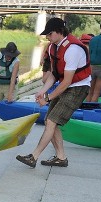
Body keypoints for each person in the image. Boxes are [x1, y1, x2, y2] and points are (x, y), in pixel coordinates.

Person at [16, 17, 91, 168]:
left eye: (49, 34)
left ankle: (34, 156)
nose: (47, 37)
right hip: (67, 85)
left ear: (59, 32)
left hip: (78, 87)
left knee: (51, 121)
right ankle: (61, 158)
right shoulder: (52, 47)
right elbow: (55, 74)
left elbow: (67, 81)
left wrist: (48, 98)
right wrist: (42, 91)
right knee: (50, 121)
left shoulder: (73, 49)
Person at [0, 42, 22, 123]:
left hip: (9, 87)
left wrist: (10, 95)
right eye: (8, 55)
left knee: (7, 109)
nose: (9, 57)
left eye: (11, 56)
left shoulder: (16, 62)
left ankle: (7, 127)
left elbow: (12, 79)